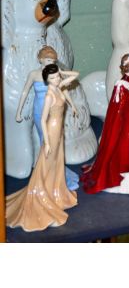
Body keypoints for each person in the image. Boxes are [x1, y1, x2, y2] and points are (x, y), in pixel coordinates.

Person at [6, 64, 79, 231]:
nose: (56, 80)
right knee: (46, 163)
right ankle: (41, 193)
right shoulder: (49, 95)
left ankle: (55, 191)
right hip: (52, 130)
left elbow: (75, 74)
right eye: (52, 78)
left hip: (59, 130)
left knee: (57, 162)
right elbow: (42, 120)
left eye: (57, 77)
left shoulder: (59, 87)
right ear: (46, 80)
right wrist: (46, 142)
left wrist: (60, 72)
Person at [81, 53, 129, 194]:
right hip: (125, 128)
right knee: (128, 150)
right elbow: (117, 111)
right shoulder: (121, 85)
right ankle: (128, 183)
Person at [15, 46, 80, 190]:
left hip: (56, 110)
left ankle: (56, 171)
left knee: (56, 142)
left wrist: (73, 105)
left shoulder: (54, 75)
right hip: (40, 110)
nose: (51, 62)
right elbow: (25, 91)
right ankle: (49, 173)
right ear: (41, 59)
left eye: (54, 60)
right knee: (46, 142)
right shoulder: (34, 74)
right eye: (49, 60)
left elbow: (62, 89)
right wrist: (18, 111)